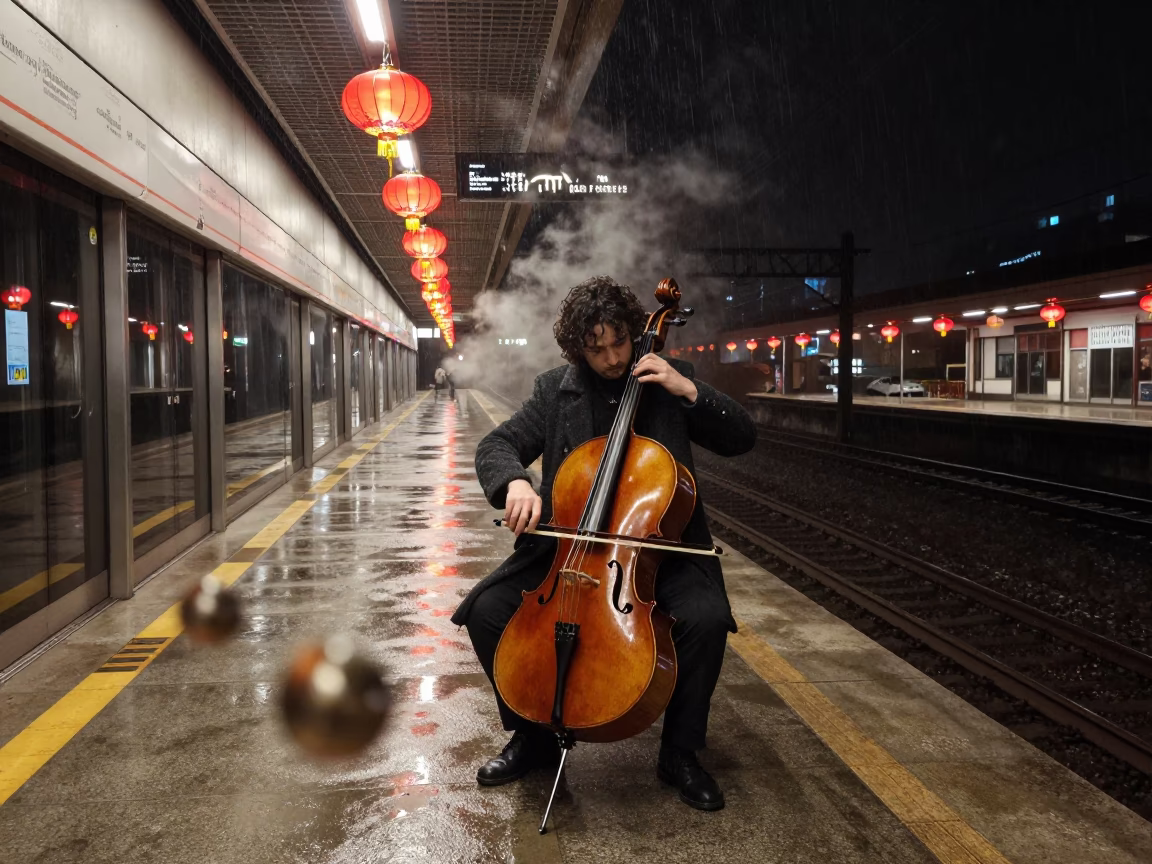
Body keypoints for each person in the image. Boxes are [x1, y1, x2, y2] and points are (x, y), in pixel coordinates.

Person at [452, 275, 756, 811]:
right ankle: (533, 736)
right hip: (566, 553)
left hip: (657, 552)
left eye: (620, 343)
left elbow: (742, 437)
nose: (614, 359)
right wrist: (515, 482)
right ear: (578, 350)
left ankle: (679, 753)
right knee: (485, 610)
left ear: (637, 333)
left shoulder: (670, 379)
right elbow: (497, 444)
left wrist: (688, 391)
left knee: (707, 619)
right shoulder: (555, 390)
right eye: (597, 350)